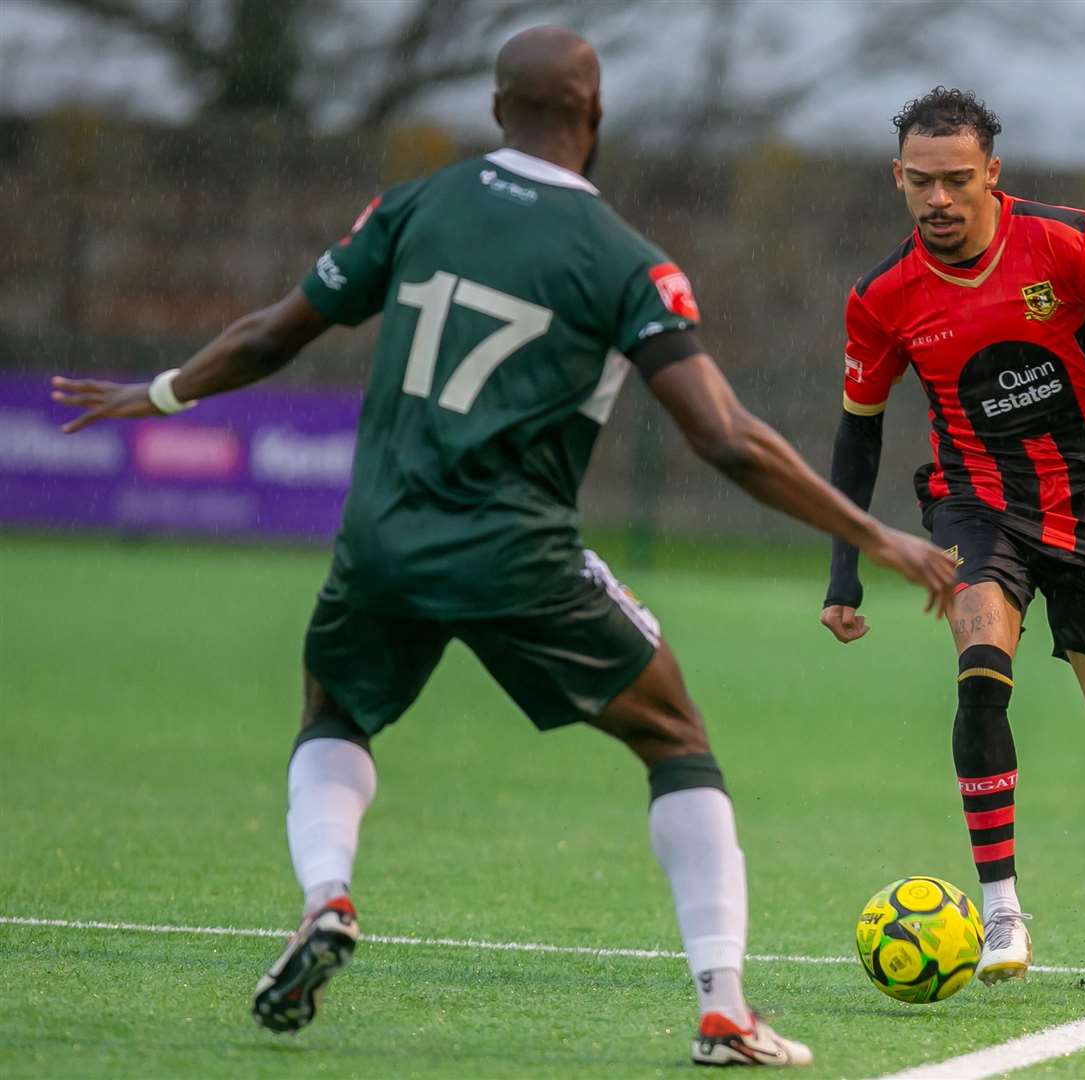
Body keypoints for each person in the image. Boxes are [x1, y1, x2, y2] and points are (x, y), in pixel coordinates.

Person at [51, 27, 955, 1068]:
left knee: (335, 711)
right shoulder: (625, 262)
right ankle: (722, 1006)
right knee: (674, 738)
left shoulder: (417, 205)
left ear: (494, 111)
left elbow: (274, 331)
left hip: (382, 541)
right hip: (516, 555)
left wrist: (160, 392)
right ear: (595, 117)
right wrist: (873, 532)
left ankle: (326, 896)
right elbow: (726, 438)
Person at [819, 87, 1085, 985]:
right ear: (898, 179)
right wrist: (844, 569)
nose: (939, 200)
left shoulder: (1067, 241)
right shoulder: (881, 298)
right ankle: (1000, 912)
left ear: (992, 173)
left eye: (957, 180)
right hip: (975, 505)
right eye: (921, 182)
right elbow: (857, 431)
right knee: (979, 670)